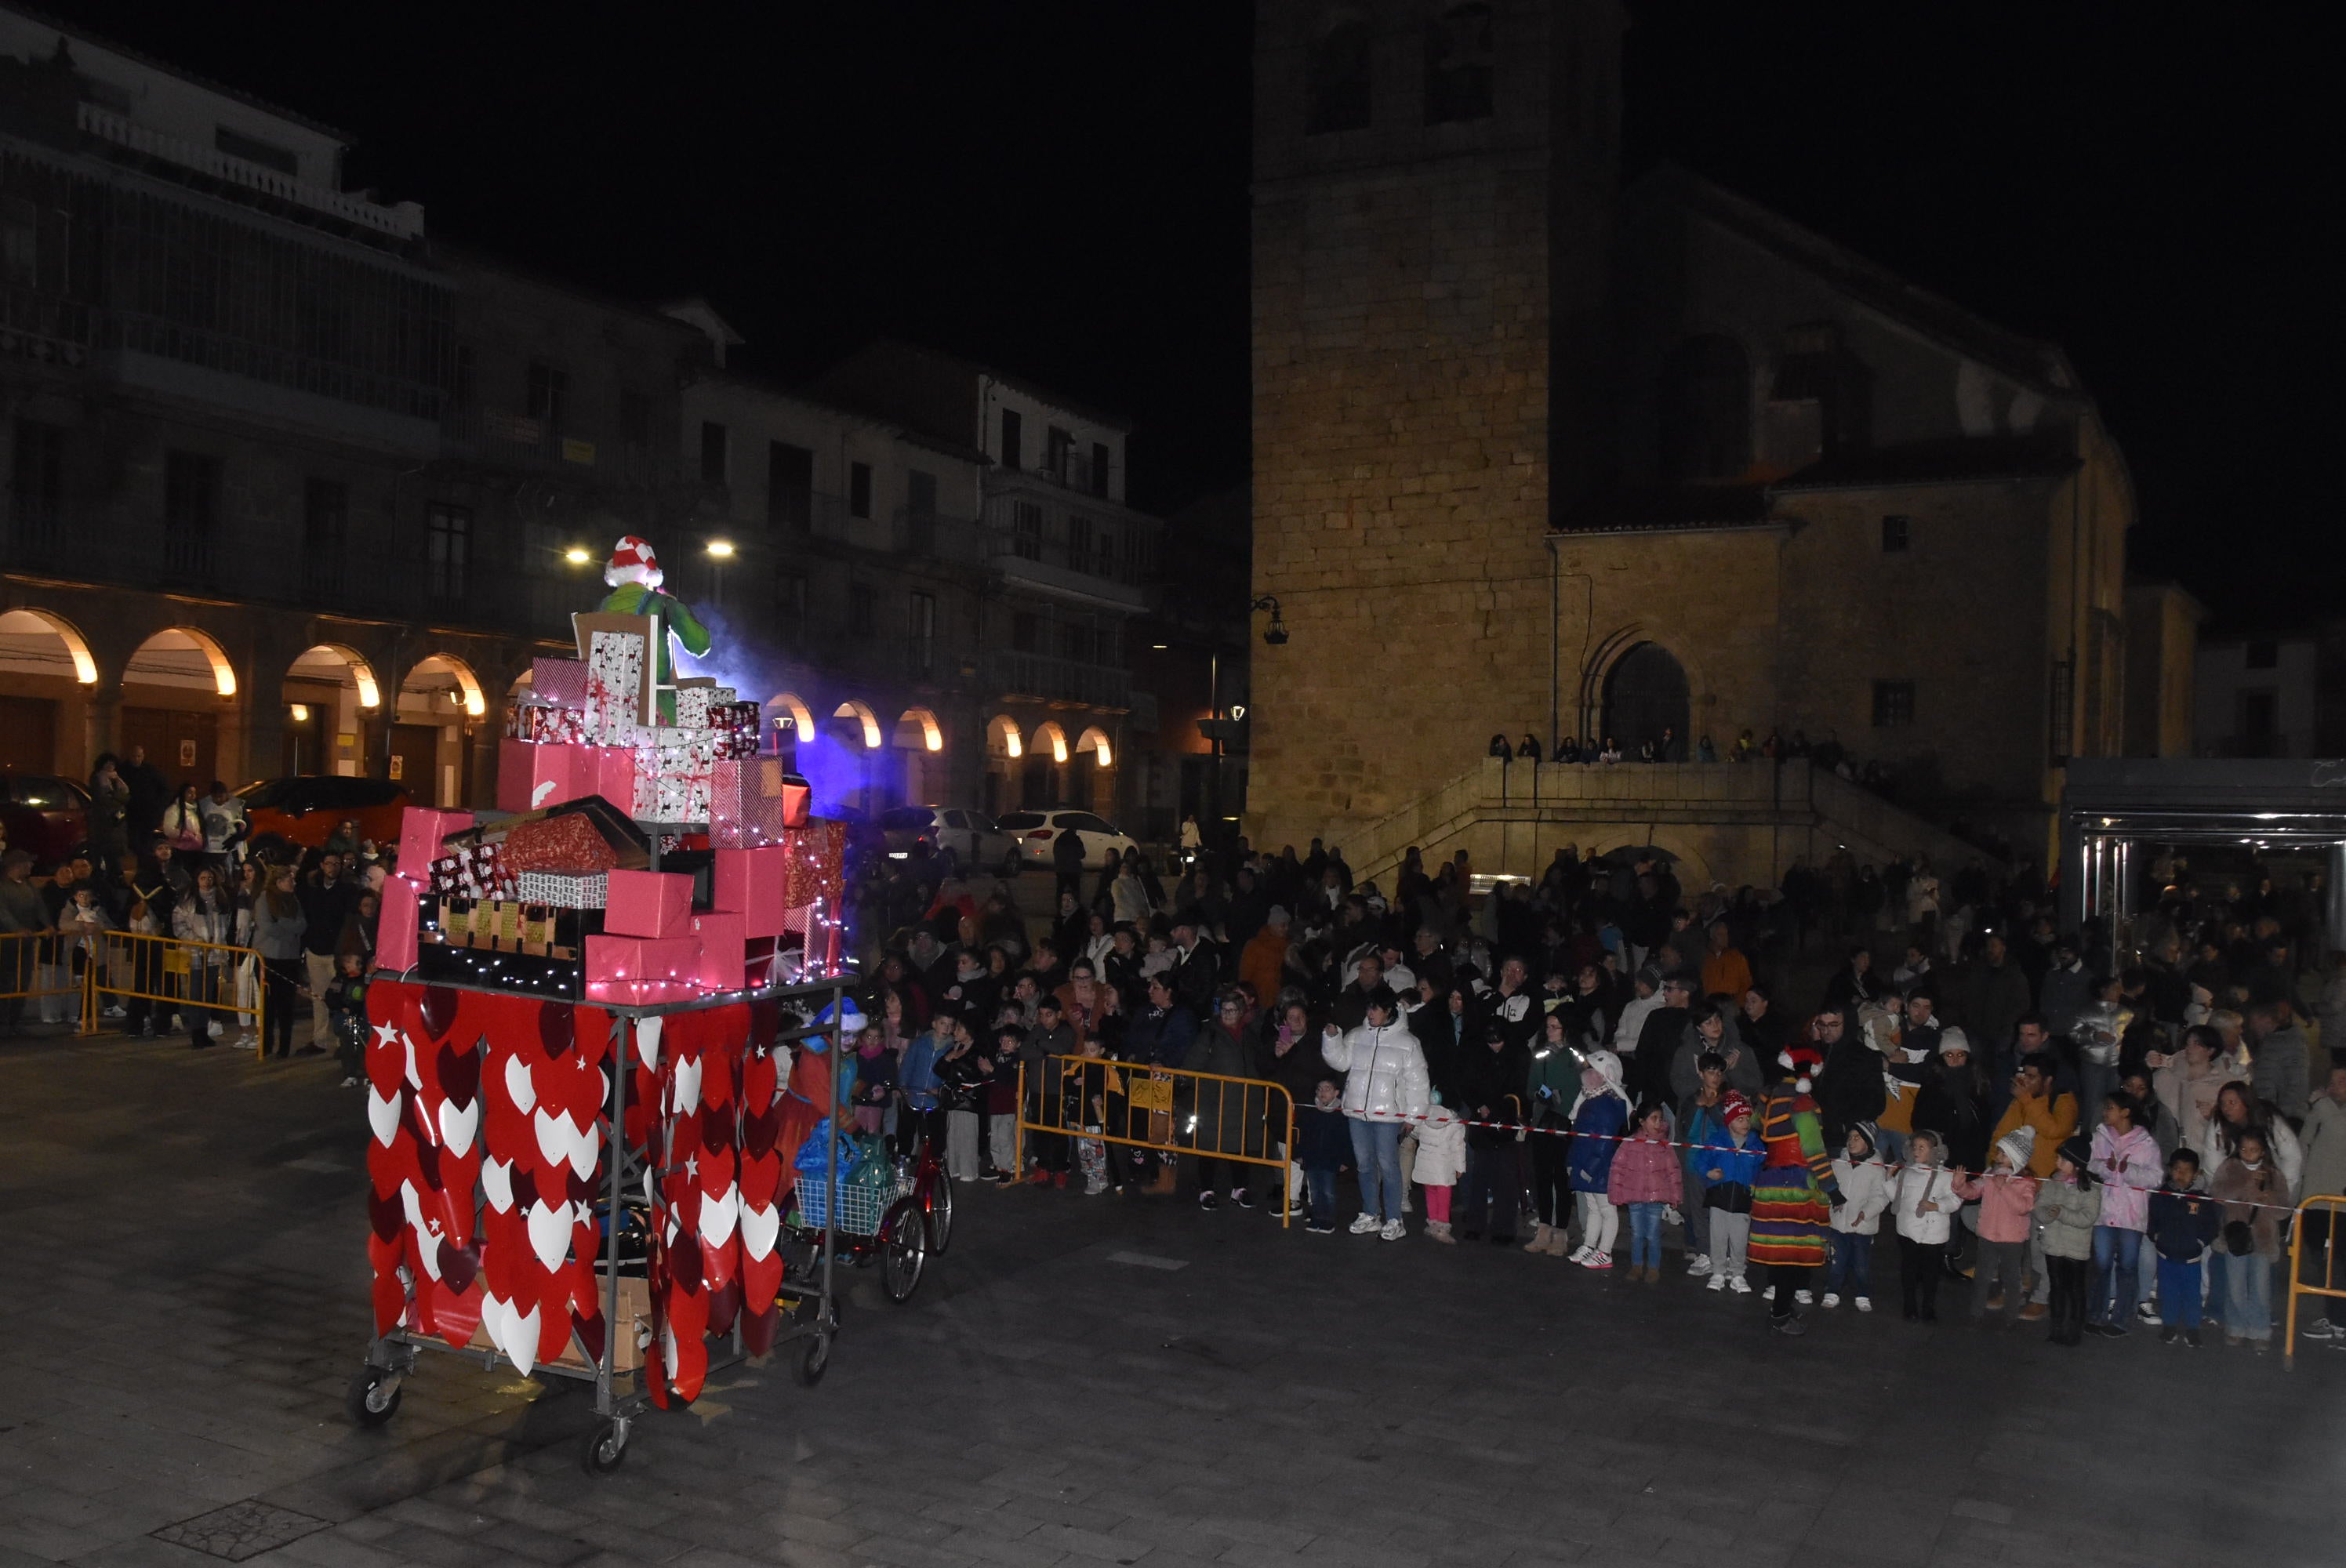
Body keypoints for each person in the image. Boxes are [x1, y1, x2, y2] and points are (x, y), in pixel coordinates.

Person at [1318, 986, 1429, 1241]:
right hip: (1358, 1113)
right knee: (1365, 1166)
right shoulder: (1358, 1036)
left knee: (1389, 1167)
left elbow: (1418, 1082)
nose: (1370, 1013)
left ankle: (1394, 1219)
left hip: (1388, 1117)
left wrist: (1413, 1117)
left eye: (1375, 1008)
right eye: (1368, 1008)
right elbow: (1340, 1061)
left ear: (1388, 1010)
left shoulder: (1408, 1043)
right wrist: (1333, 1039)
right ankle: (1370, 1213)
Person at [1747, 1045, 1842, 1334]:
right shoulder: (1802, 1102)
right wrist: (1831, 1187)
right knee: (1792, 1254)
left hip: (1772, 1179)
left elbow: (1753, 1124)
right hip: (1797, 1184)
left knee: (1779, 1251)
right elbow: (1813, 1149)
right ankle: (1780, 1315)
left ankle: (1781, 1309)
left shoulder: (1769, 1096)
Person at [2086, 1091, 2161, 1338]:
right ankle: (2096, 1315)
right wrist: (2105, 1168)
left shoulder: (2146, 1143)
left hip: (2131, 1214)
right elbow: (2092, 1164)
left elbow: (2156, 1178)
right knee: (2102, 1263)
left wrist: (2130, 1172)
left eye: (2110, 1107)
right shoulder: (2101, 1136)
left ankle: (2121, 1319)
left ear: (2125, 1112)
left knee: (2128, 1266)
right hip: (2105, 1211)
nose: (2106, 1112)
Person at [2210, 1127, 2293, 1351]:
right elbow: (2217, 1195)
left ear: (2263, 1152)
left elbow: (2285, 1210)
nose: (2248, 1153)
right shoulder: (2229, 1168)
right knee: (2235, 1286)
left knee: (2260, 1288)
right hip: (2235, 1237)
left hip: (2263, 1240)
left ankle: (2260, 1329)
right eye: (2244, 1149)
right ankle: (2235, 1326)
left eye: (2254, 1150)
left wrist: (2269, 1198)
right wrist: (2246, 1187)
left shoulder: (2274, 1175)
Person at [1953, 1128, 2039, 1326]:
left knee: (2011, 1279)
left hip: (2012, 1239)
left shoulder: (2026, 1182)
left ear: (2016, 1159)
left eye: (2003, 1153)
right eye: (1999, 1152)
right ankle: (1975, 1314)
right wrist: (1959, 1185)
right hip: (1988, 1236)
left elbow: (2024, 1207)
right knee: (1982, 1277)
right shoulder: (1990, 1174)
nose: (1997, 1156)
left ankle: (2010, 1317)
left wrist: (2004, 1187)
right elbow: (1973, 1191)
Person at [1453, 1021, 1528, 1244]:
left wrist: (1501, 1110)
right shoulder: (1478, 1055)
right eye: (1491, 1042)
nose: (1495, 1046)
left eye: (1499, 1042)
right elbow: (1466, 1084)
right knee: (1480, 1176)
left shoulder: (1518, 1056)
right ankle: (1475, 1224)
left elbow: (1520, 1090)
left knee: (1506, 1178)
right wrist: (1479, 1105)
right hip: (1482, 1123)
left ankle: (1504, 1229)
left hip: (1506, 1121)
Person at [2146, 1148, 2222, 1348]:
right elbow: (2151, 1219)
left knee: (2192, 1294)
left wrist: (2199, 1242)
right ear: (2170, 1170)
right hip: (2166, 1255)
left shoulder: (2201, 1199)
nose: (2181, 1174)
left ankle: (2192, 1329)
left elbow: (2211, 1226)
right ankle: (2169, 1327)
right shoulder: (2161, 1195)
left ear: (2196, 1174)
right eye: (2177, 1169)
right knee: (2167, 1292)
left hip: (2191, 1258)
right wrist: (2156, 1236)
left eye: (2187, 1171)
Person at [1565, 1048, 1632, 1270]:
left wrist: (1591, 1167)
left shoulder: (1606, 1105)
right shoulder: (1590, 1100)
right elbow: (1579, 1137)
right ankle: (1590, 1245)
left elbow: (1604, 1141)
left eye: (1593, 1070)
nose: (1587, 1074)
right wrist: (1573, 1163)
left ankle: (1605, 1251)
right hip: (1586, 1164)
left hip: (1599, 1167)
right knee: (1594, 1207)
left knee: (1606, 1209)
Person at [2034, 1136, 2101, 1347]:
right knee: (2056, 1286)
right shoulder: (2053, 1181)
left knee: (2076, 1289)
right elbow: (2040, 1206)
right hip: (2054, 1244)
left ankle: (2075, 1329)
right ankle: (2056, 1327)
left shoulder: (2090, 1190)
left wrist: (2061, 1213)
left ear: (2078, 1165)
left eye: (2063, 1160)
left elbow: (2087, 1218)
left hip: (2076, 1248)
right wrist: (2047, 1215)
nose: (2057, 1163)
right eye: (2058, 1158)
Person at [2297, 1062, 2346, 1346]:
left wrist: (2322, 1105)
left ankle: (2340, 1319)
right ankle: (2332, 1315)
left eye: (2343, 1080)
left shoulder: (2327, 1110)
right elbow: (2303, 1146)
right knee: (2321, 1261)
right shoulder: (2320, 1110)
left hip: (2341, 1204)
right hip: (2315, 1200)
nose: (2336, 1085)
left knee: (2339, 1263)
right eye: (2333, 1080)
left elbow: (2340, 1132)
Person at [1608, 1102, 1683, 1283]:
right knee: (1636, 1232)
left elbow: (1673, 1171)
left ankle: (1653, 1267)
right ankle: (1636, 1265)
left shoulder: (1664, 1145)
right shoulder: (1630, 1143)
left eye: (1660, 1118)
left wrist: (1675, 1195)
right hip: (1635, 1197)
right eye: (1653, 1118)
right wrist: (1616, 1193)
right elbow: (1617, 1168)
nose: (1658, 1123)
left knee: (1653, 1233)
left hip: (1656, 1198)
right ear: (1642, 1121)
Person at [1697, 1091, 1763, 1294]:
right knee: (1718, 1235)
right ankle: (1717, 1271)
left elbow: (1761, 1168)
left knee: (1740, 1237)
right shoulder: (1717, 1141)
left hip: (1743, 1198)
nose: (1745, 1123)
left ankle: (1737, 1273)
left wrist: (1756, 1184)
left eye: (1747, 1119)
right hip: (1720, 1196)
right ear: (1729, 1121)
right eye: (1740, 1119)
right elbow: (1700, 1160)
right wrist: (1709, 1173)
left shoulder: (1755, 1144)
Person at [1891, 1128, 1957, 1321]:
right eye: (1914, 1147)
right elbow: (1896, 1198)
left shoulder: (1946, 1175)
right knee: (1909, 1271)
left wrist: (1937, 1205)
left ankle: (1929, 1306)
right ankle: (1909, 1305)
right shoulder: (1906, 1173)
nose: (1916, 1151)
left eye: (1922, 1147)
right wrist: (1888, 1179)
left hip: (1932, 1234)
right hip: (1908, 1231)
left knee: (1931, 1273)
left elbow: (1955, 1200)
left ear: (1936, 1152)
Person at [1821, 1121, 1887, 1311]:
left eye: (1857, 1138)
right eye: (1850, 1137)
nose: (1852, 1141)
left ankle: (1862, 1293)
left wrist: (1866, 1213)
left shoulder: (1876, 1168)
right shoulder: (1838, 1162)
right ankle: (1833, 1290)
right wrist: (1831, 1202)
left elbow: (1880, 1196)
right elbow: (1829, 1186)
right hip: (1838, 1223)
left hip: (1862, 1226)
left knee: (1861, 1263)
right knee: (1837, 1260)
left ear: (1868, 1143)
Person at [170, 865, 235, 1050]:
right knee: (196, 993)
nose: (207, 882)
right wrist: (196, 940)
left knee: (208, 993)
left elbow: (226, 923)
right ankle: (196, 1031)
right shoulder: (188, 900)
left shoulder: (220, 898)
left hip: (214, 953)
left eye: (209, 878)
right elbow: (179, 924)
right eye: (203, 878)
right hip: (195, 952)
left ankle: (203, 1030)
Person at [249, 864, 307, 1060]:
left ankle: (284, 1046)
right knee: (268, 1004)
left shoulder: (295, 901)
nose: (294, 883)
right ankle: (266, 1044)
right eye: (291, 880)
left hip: (289, 958)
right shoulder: (265, 899)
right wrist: (288, 929)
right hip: (268, 958)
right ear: (280, 882)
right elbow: (267, 926)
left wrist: (282, 923)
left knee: (286, 1005)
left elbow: (302, 925)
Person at [1296, 1079, 1352, 1234]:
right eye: (1320, 1089)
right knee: (1314, 1191)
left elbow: (1347, 1139)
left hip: (1331, 1159)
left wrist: (1345, 1160)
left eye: (1327, 1089)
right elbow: (1304, 1135)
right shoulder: (1311, 1112)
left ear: (1336, 1093)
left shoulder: (1341, 1115)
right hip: (1313, 1157)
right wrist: (1300, 1154)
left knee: (1328, 1191)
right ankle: (1316, 1217)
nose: (1323, 1092)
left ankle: (1328, 1219)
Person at [1412, 1094, 1466, 1243]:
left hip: (1425, 1162)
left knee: (1430, 1192)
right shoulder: (1455, 1122)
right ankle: (1443, 1227)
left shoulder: (1423, 1116)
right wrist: (1460, 1167)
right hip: (1444, 1163)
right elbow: (1458, 1146)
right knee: (1444, 1193)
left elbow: (1414, 1133)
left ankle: (1433, 1223)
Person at [322, 950, 371, 1086]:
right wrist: (341, 1006)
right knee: (348, 1048)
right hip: (346, 1021)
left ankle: (368, 1075)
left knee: (365, 1047)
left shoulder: (365, 980)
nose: (359, 966)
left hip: (362, 1021)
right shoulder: (339, 980)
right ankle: (350, 1074)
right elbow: (330, 997)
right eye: (353, 962)